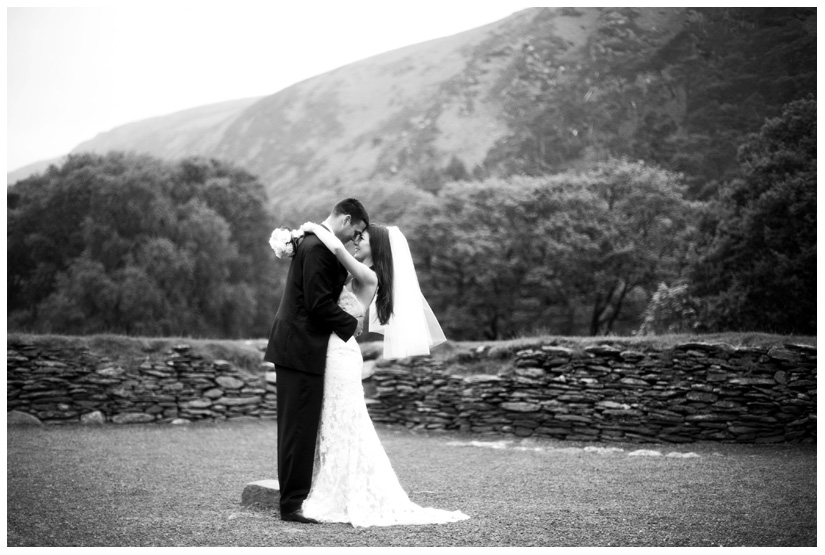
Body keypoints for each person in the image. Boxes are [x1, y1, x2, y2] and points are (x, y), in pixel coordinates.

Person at [297, 221, 469, 527]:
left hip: (340, 352)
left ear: (376, 247)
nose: (356, 239)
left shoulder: (369, 274)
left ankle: (341, 491)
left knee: (343, 421)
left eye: (362, 237)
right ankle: (332, 486)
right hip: (337, 349)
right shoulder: (356, 272)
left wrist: (312, 229)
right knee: (340, 422)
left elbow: (336, 248)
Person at [263, 198, 369, 524]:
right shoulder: (320, 248)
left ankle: (295, 498)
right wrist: (352, 326)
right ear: (347, 218)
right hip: (299, 346)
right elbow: (319, 303)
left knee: (300, 425)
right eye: (357, 231)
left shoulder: (317, 242)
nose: (356, 239)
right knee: (298, 427)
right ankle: (292, 504)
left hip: (299, 345)